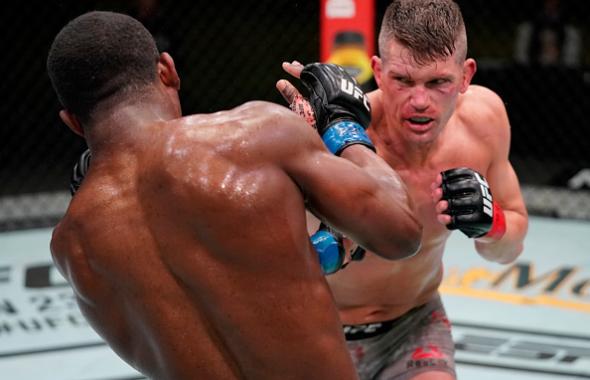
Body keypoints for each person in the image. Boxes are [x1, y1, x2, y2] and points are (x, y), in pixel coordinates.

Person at [47, 11, 422, 380]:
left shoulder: (72, 247)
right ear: (166, 70)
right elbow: (401, 232)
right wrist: (343, 125)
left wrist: (320, 251)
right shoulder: (254, 135)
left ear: (72, 122)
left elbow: (183, 328)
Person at [277, 0, 529, 379]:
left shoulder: (484, 124)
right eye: (403, 80)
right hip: (309, 332)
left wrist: (491, 225)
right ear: (378, 72)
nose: (419, 102)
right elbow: (257, 260)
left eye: (438, 82)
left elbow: (510, 248)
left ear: (465, 76)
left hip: (413, 327)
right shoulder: (332, 136)